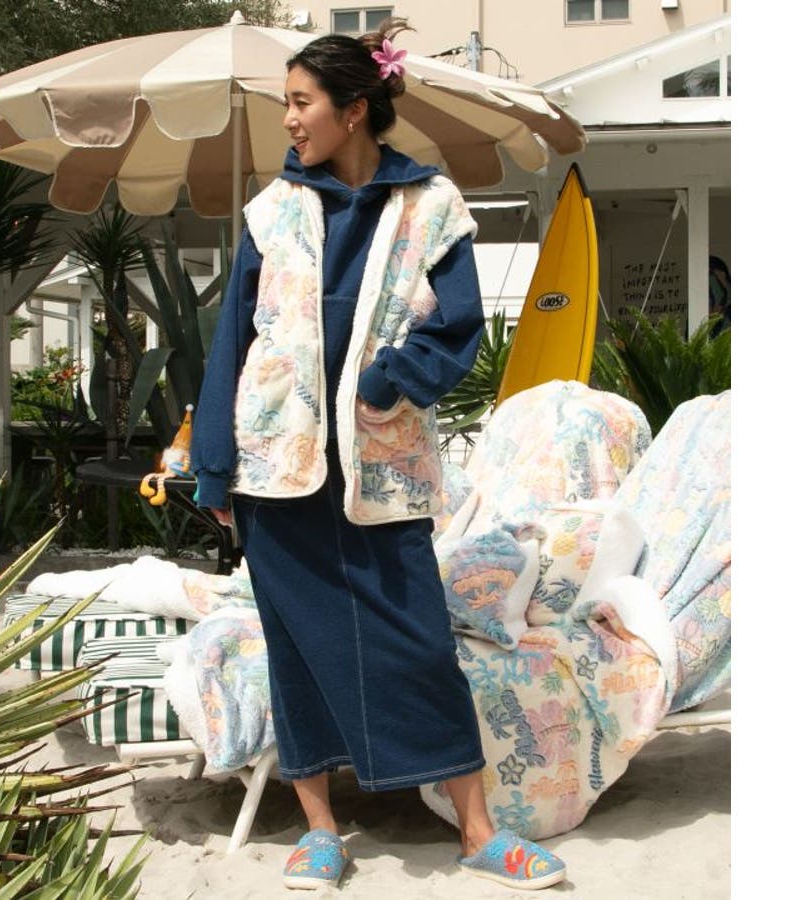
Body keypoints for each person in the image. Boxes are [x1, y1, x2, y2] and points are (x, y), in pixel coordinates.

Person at [191, 18, 567, 892]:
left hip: (382, 465)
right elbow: (232, 343)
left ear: (353, 109)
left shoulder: (431, 205)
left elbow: (460, 327)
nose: (289, 120)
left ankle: (479, 831)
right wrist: (214, 463)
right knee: (298, 647)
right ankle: (320, 831)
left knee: (419, 642)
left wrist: (391, 380)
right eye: (285, 104)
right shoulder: (271, 212)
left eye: (300, 102)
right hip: (277, 468)